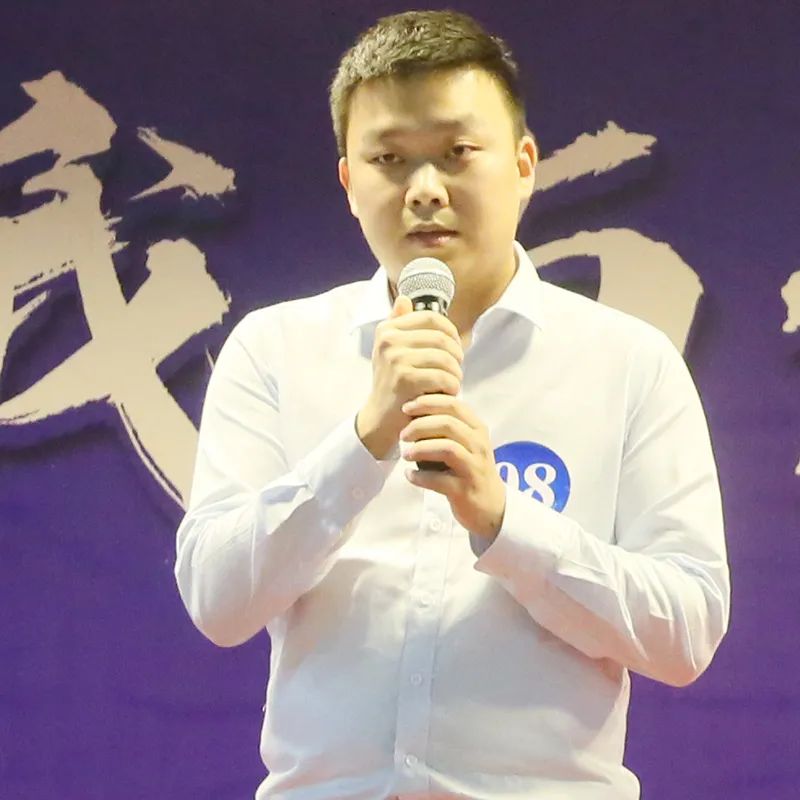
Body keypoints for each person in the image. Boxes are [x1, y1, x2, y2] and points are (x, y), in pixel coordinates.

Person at [175, 10, 730, 800]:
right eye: (390, 159)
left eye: (458, 153)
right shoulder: (274, 349)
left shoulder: (629, 361)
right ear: (349, 182)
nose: (425, 190)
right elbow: (217, 600)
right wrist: (363, 441)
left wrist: (505, 523)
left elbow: (688, 631)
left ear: (524, 164)